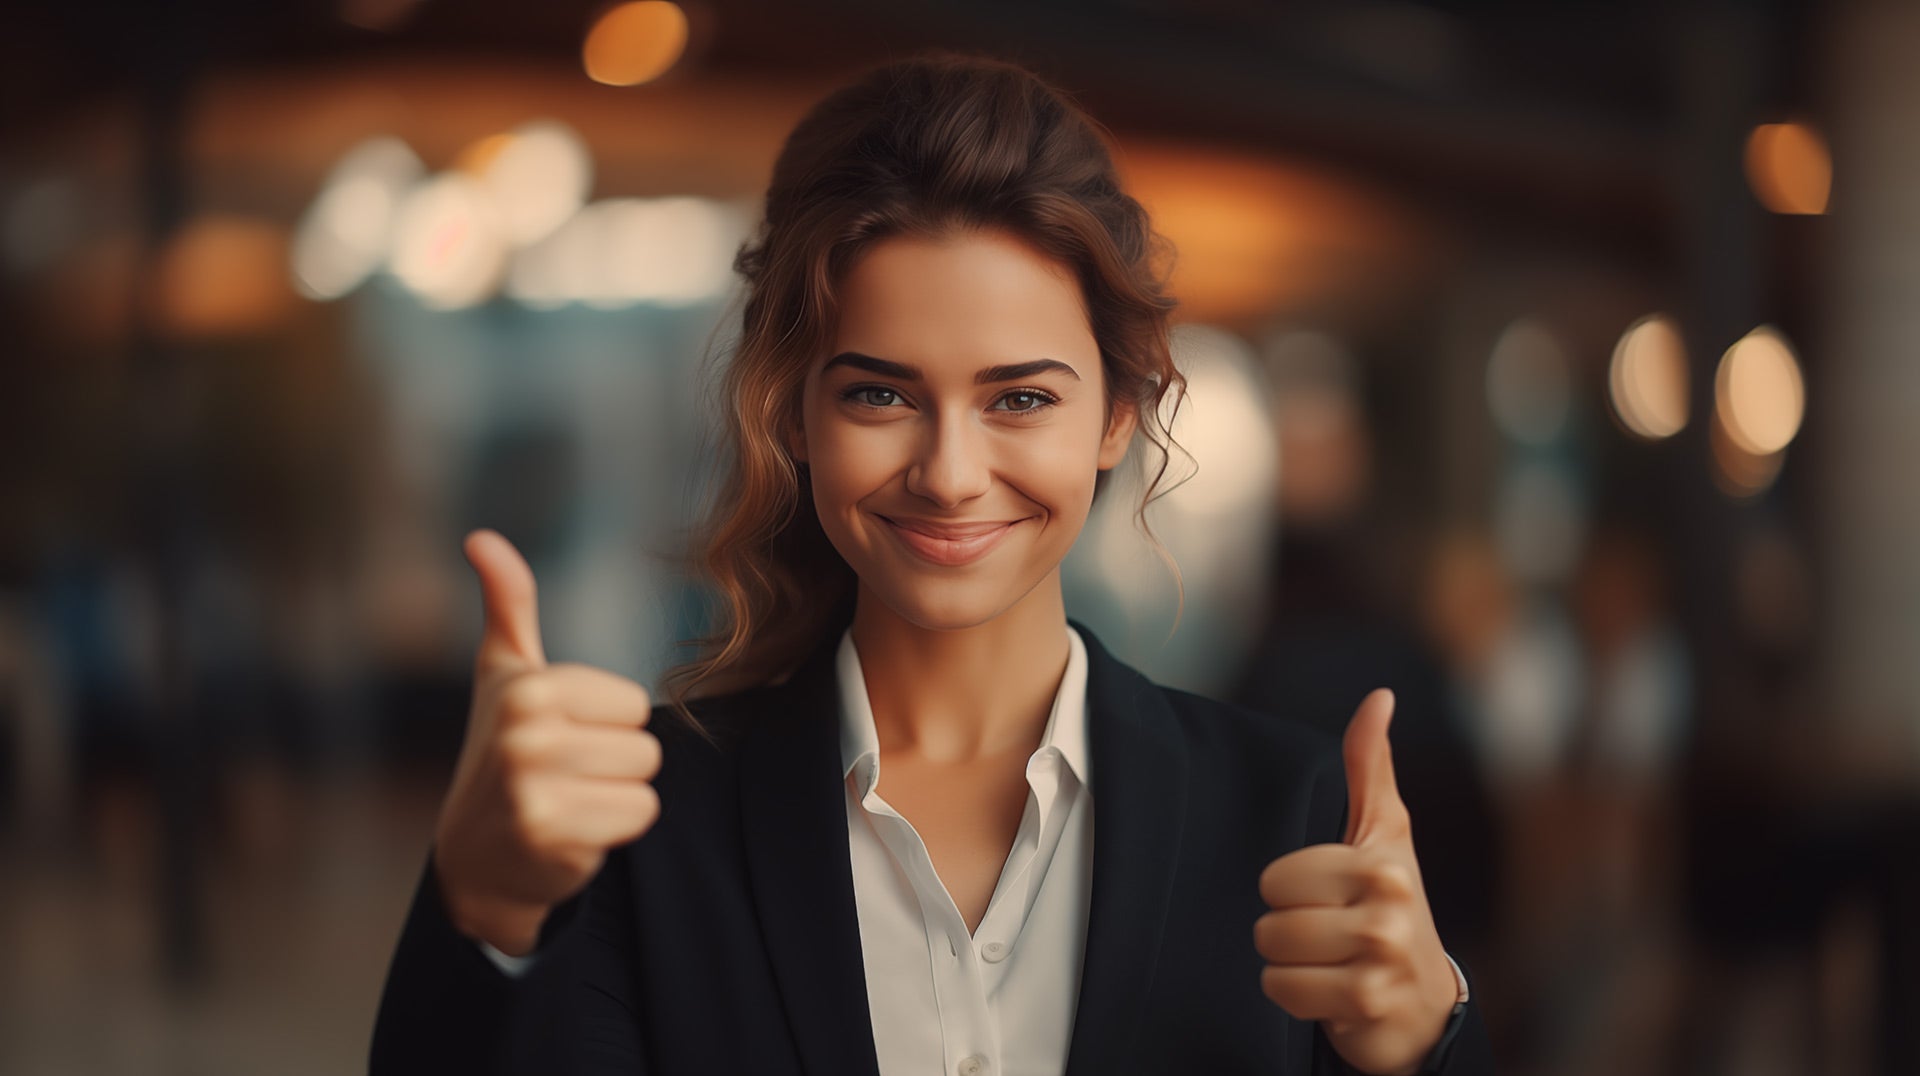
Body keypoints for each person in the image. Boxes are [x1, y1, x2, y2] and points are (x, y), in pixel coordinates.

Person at [370, 52, 1491, 1075]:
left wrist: (1426, 1038)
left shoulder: (1283, 810)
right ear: (792, 412)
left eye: (1020, 398)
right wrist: (483, 917)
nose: (951, 473)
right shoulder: (653, 827)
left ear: (1116, 415)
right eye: (879, 393)